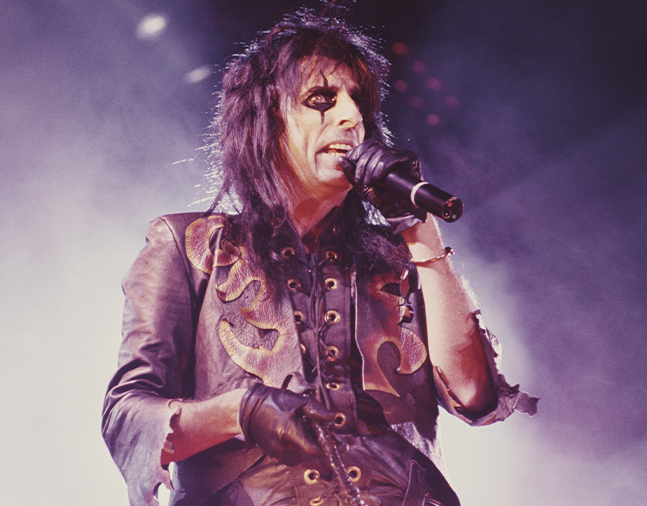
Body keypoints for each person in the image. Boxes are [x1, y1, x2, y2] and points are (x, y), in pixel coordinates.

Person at [102, 8, 536, 506]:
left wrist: (419, 231)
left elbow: (473, 394)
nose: (352, 117)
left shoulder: (396, 259)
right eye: (322, 100)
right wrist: (240, 411)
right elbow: (127, 418)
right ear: (266, 121)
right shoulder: (189, 245)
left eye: (358, 102)